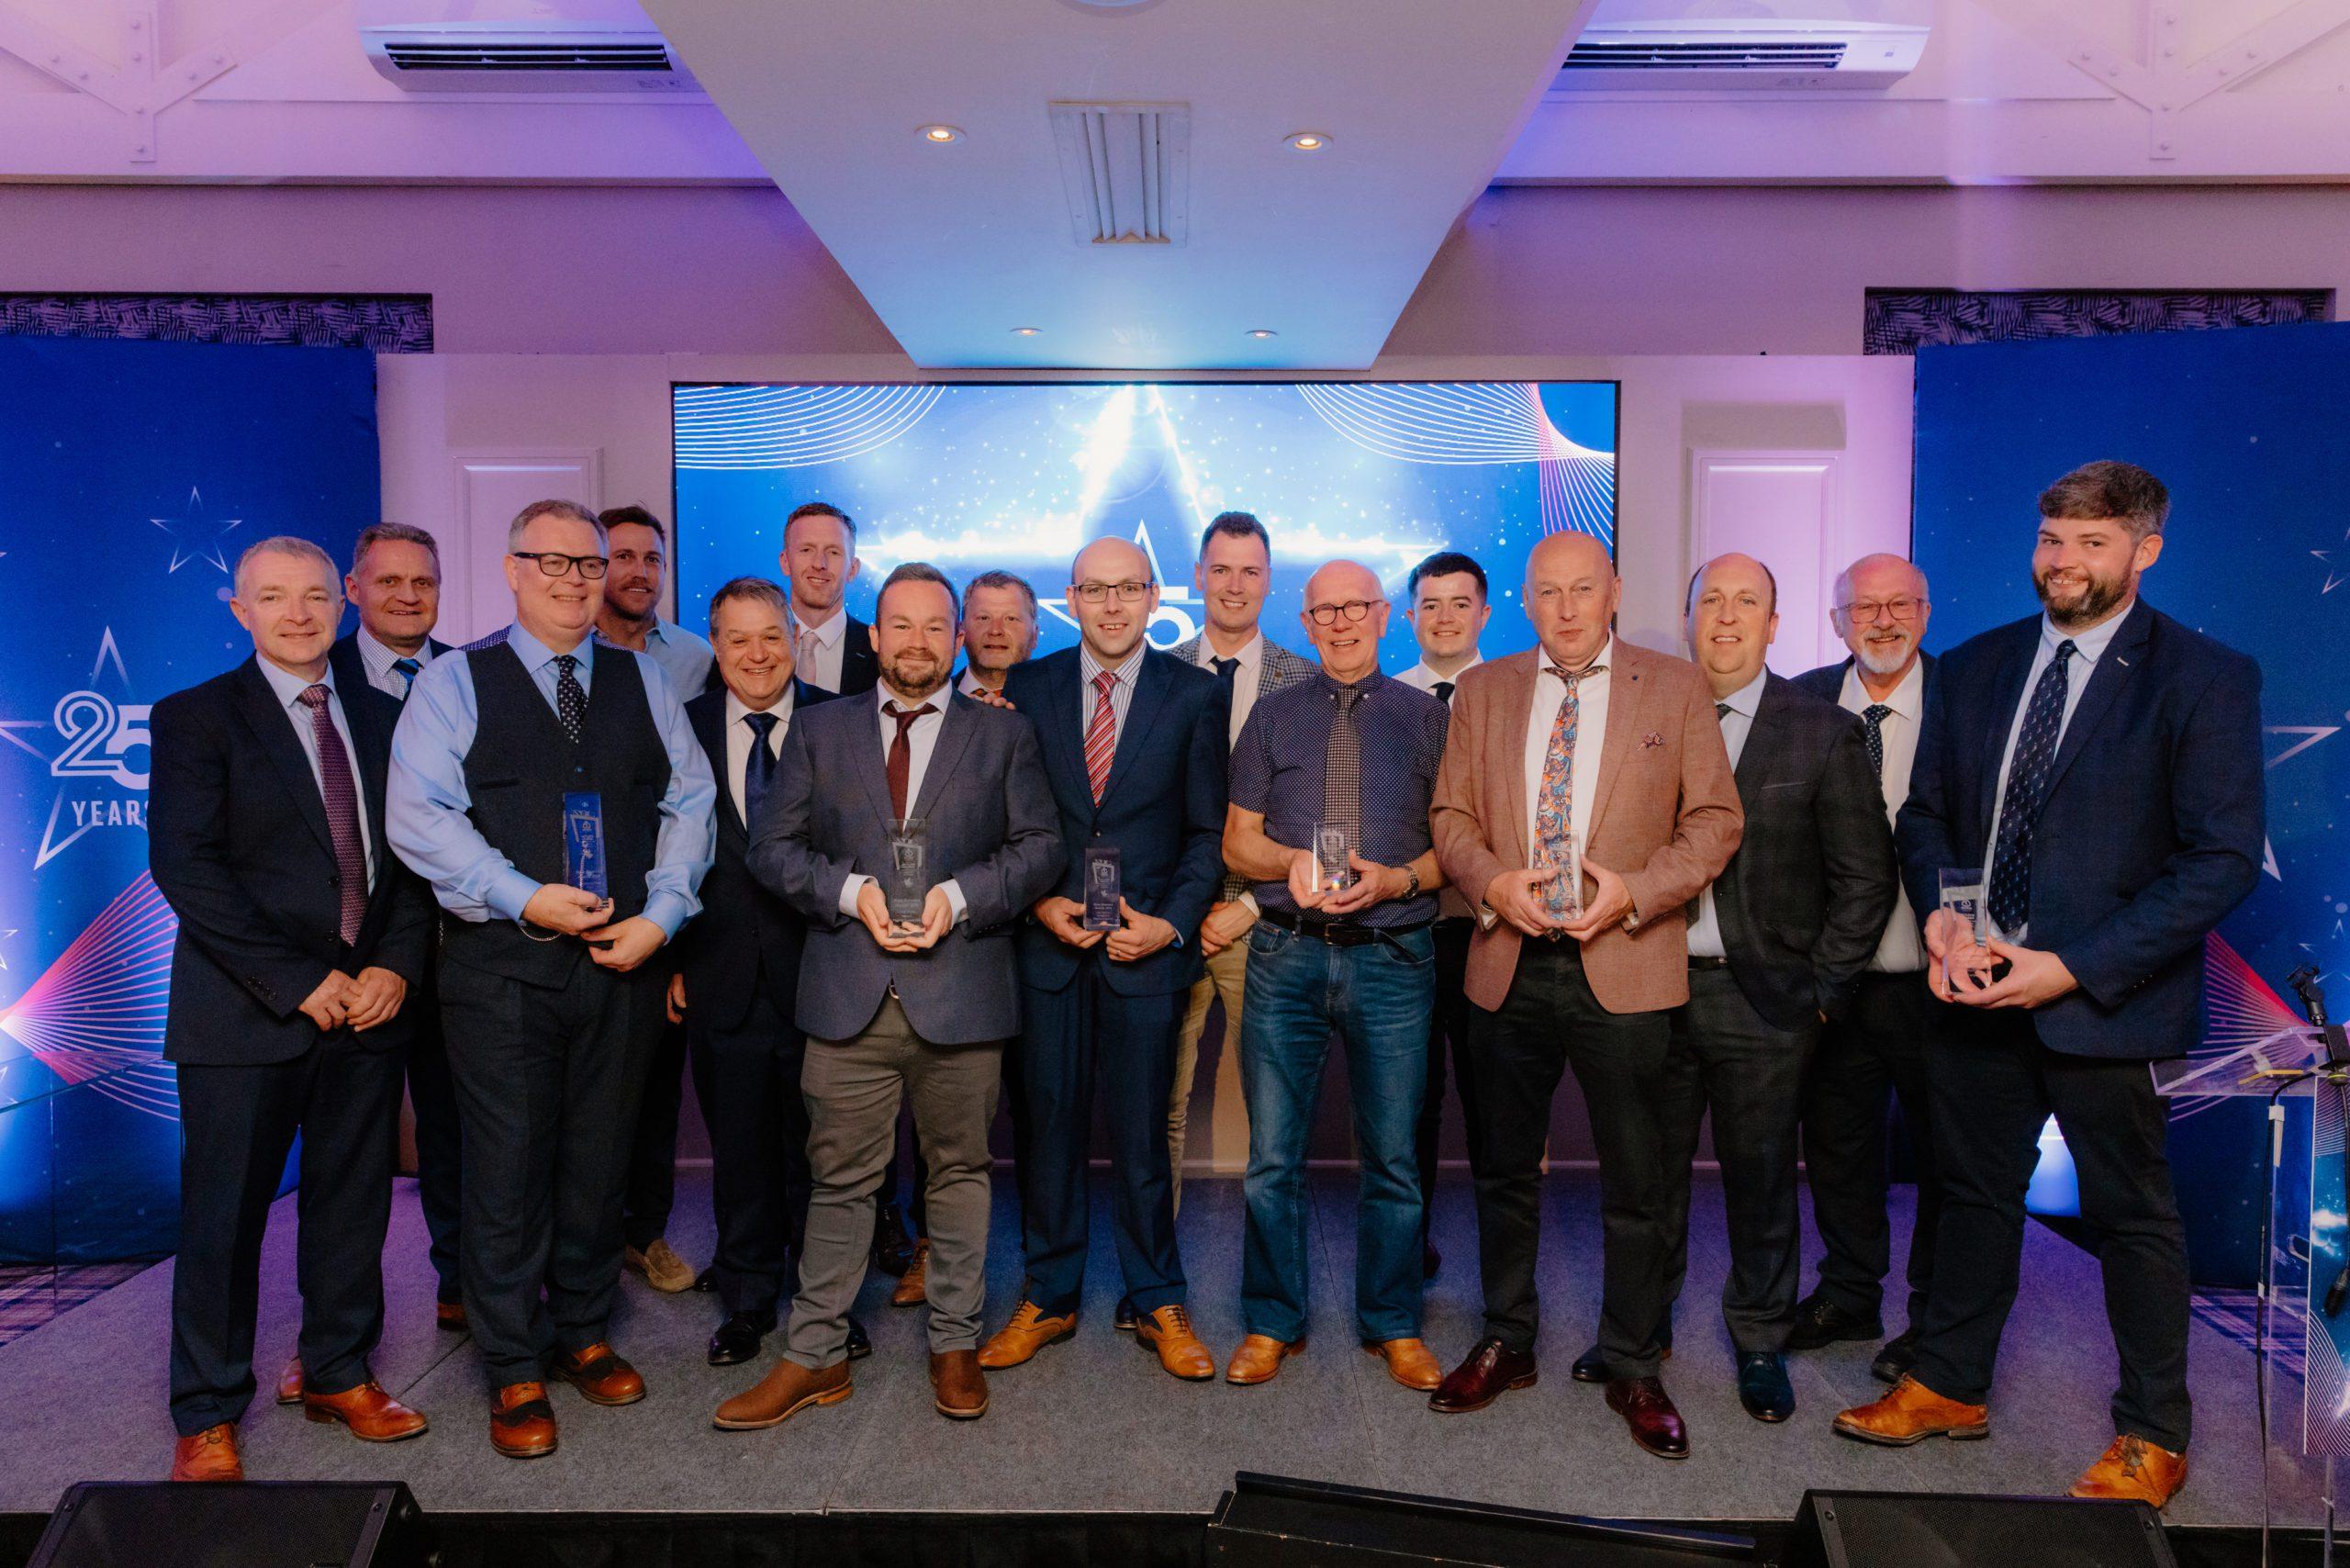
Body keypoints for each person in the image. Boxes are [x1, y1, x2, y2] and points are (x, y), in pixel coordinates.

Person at [1834, 462, 2264, 1510]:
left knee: (2132, 1218)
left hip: (2104, 1001)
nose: (2062, 562)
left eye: (2091, 543)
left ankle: (2153, 1433)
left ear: (2145, 551)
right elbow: (1927, 814)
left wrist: (2069, 968)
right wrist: (1942, 914)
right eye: (2050, 539)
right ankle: (1948, 1384)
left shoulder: (2203, 677)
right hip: (1976, 987)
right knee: (1969, 1194)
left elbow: (2219, 861)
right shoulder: (1978, 665)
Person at [388, 498, 716, 1459]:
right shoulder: (454, 682)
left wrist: (663, 914)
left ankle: (581, 1329)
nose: (575, 580)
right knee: (507, 1170)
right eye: (554, 562)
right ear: (513, 569)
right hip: (501, 970)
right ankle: (512, 1361)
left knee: (598, 1161)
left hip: (620, 964)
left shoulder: (643, 679)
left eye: (590, 564)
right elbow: (420, 816)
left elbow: (690, 800)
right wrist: (523, 895)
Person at [717, 563, 1061, 1429]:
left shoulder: (1004, 734)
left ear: (958, 638)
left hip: (963, 991)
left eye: (935, 626)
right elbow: (771, 849)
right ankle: (814, 1355)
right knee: (838, 1182)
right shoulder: (819, 729)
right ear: (874, 637)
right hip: (848, 992)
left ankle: (954, 1343)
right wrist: (850, 892)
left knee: (960, 1174)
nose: (917, 642)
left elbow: (1040, 848)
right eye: (899, 625)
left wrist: (959, 898)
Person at [1427, 530, 1740, 1462]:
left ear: (1614, 591)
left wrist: (1636, 892)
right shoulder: (1483, 691)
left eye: (1582, 589)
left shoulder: (1675, 686)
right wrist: (1492, 882)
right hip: (1509, 961)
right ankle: (1508, 1337)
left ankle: (1634, 1362)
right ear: (1525, 602)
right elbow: (1450, 815)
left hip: (1627, 960)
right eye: (1547, 592)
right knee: (1502, 1169)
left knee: (1638, 1179)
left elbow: (1715, 820)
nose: (1565, 609)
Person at [151, 536, 433, 1482]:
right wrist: (300, 981)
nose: (299, 614)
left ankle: (338, 1371)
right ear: (242, 611)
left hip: (367, 1009)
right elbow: (187, 868)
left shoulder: (388, 717)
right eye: (274, 598)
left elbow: (416, 857)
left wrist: (395, 964)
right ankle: (207, 1409)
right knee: (224, 1219)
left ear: (341, 604)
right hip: (246, 1014)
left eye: (314, 596)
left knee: (351, 1205)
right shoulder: (196, 717)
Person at [1620, 553, 1896, 1426]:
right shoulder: (1640, 718)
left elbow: (1866, 879)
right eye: (1712, 601)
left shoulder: (1821, 731)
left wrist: (1821, 991)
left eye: (1748, 603)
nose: (1728, 617)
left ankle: (1761, 1338)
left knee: (1763, 1178)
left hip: (1767, 1001)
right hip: (1650, 983)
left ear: (1775, 625)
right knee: (1648, 1177)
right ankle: (1640, 1334)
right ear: (1689, 617)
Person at [979, 538, 1227, 1381]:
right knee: (1046, 1131)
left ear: (1155, 596)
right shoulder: (1028, 688)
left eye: (1128, 589)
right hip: (1047, 950)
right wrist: (1038, 902)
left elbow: (1205, 834)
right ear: (1071, 598)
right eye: (1096, 589)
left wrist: (1172, 925)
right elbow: (1003, 822)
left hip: (1144, 953)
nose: (1113, 605)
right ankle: (1048, 1296)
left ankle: (1157, 1297)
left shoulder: (1195, 694)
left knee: (1144, 1137)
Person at [1220, 558, 1449, 1394]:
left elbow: (1457, 849)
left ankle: (1393, 1323)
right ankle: (1271, 1321)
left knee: (1393, 1158)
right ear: (1307, 623)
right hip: (1287, 955)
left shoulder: (1428, 719)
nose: (1342, 623)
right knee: (1272, 1159)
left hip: (1394, 959)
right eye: (1325, 611)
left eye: (1357, 608)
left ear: (1384, 616)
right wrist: (1287, 863)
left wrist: (1396, 881)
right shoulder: (1272, 715)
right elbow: (1237, 841)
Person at [667, 577, 871, 1368]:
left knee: (827, 1154)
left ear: (794, 640)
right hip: (718, 971)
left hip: (827, 970)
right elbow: (659, 849)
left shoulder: (842, 720)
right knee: (741, 1150)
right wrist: (672, 957)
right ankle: (747, 1300)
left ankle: (830, 1304)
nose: (757, 655)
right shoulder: (678, 724)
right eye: (738, 639)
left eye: (771, 637)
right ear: (715, 647)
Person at [1788, 553, 1943, 1385]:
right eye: (1864, 608)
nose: (1883, 621)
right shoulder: (1801, 702)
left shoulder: (1967, 703)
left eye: (1900, 605)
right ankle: (1849, 1292)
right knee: (1838, 1145)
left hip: (1938, 978)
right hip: (1836, 976)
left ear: (1926, 613)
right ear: (1837, 621)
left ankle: (1933, 1318)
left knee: (1945, 1155)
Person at [1165, 512, 1316, 1276]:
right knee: (1158, 1108)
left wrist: (1249, 906)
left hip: (1267, 924)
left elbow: (1319, 816)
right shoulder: (1156, 673)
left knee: (1274, 1120)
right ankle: (1153, 1282)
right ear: (1198, 576)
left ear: (1269, 580)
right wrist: (1184, 908)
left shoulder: (1306, 681)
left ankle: (1273, 1290)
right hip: (1172, 925)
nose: (1234, 585)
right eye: (1220, 569)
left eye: (1250, 571)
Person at [327, 522, 463, 1340]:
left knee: (459, 1137)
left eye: (424, 582)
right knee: (352, 1157)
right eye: (389, 582)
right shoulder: (319, 680)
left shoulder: (470, 677)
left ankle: (465, 1286)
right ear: (354, 590)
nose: (408, 596)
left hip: (461, 955)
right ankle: (337, 1338)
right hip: (357, 964)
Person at [593, 503, 714, 1296]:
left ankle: (645, 1233)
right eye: (623, 557)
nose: (639, 572)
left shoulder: (696, 658)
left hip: (667, 897)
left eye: (652, 559)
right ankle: (582, 1243)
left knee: (655, 1085)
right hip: (572, 893)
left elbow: (704, 794)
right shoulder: (560, 654)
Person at [1394, 549, 1493, 1282]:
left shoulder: (1517, 695)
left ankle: (1502, 1261)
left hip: (1492, 930)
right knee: (1411, 1103)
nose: (1445, 617)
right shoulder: (1384, 698)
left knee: (1493, 1103)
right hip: (1405, 928)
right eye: (1431, 604)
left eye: (1460, 603)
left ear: (1485, 614)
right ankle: (1409, 1243)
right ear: (1410, 616)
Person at [779, 499, 878, 697]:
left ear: (853, 569)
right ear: (786, 562)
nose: (819, 564)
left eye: (833, 552)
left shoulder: (880, 653)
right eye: (806, 550)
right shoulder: (746, 648)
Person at [959, 569, 1041, 697]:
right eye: (984, 618)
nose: (995, 630)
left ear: (1034, 635)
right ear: (961, 633)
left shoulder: (1065, 703)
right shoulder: (930, 700)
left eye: (1011, 619)